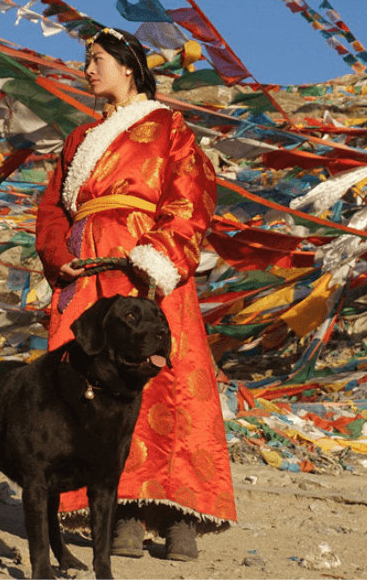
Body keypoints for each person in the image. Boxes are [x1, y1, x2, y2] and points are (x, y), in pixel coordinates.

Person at [35, 27, 236, 561]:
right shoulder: (77, 140)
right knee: (90, 387)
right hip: (87, 276)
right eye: (86, 61)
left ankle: (176, 517)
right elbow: (53, 208)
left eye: (96, 59)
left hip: (149, 272)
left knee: (167, 384)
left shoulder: (170, 128)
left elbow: (191, 199)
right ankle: (117, 511)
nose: (87, 70)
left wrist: (153, 260)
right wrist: (60, 256)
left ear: (128, 66)